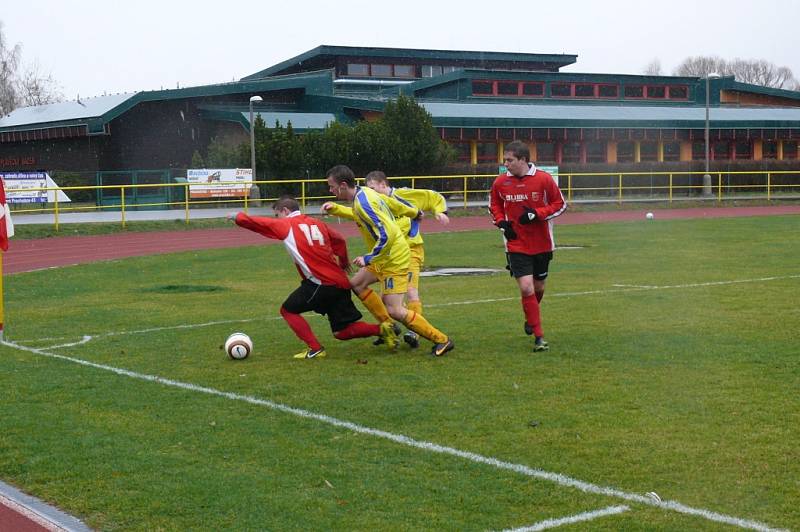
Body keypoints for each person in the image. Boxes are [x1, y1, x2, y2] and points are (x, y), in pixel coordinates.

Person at [228, 196, 395, 360]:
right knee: (341, 332)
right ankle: (383, 329)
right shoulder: (317, 223)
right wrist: (343, 261)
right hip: (340, 282)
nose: (276, 218)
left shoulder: (286, 224)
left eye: (277, 214)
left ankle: (315, 349)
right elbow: (339, 239)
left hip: (321, 283)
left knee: (288, 310)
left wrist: (238, 217)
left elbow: (258, 223)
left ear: (285, 211)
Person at [322, 164, 454, 357]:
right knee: (357, 284)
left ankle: (442, 340)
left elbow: (388, 235)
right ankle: (389, 328)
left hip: (394, 257)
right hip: (385, 255)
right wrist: (413, 212)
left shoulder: (363, 202)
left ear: (343, 185)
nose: (330, 190)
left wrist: (369, 257)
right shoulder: (364, 192)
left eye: (331, 186)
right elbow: (391, 204)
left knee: (394, 308)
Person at [489, 140, 567, 352]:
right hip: (515, 244)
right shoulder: (500, 183)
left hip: (542, 243)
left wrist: (537, 213)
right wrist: (501, 222)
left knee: (538, 287)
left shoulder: (543, 179)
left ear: (523, 160)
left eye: (510, 160)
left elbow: (560, 204)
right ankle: (539, 337)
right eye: (505, 159)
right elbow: (494, 205)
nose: (506, 163)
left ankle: (530, 317)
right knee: (526, 287)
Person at [364, 170, 449, 349]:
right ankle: (389, 328)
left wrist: (439, 211)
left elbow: (432, 196)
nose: (370, 192)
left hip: (410, 250)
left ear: (383, 184)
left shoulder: (403, 195)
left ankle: (415, 332)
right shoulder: (376, 202)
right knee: (384, 297)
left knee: (411, 292)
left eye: (372, 188)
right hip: (390, 255)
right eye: (368, 189)